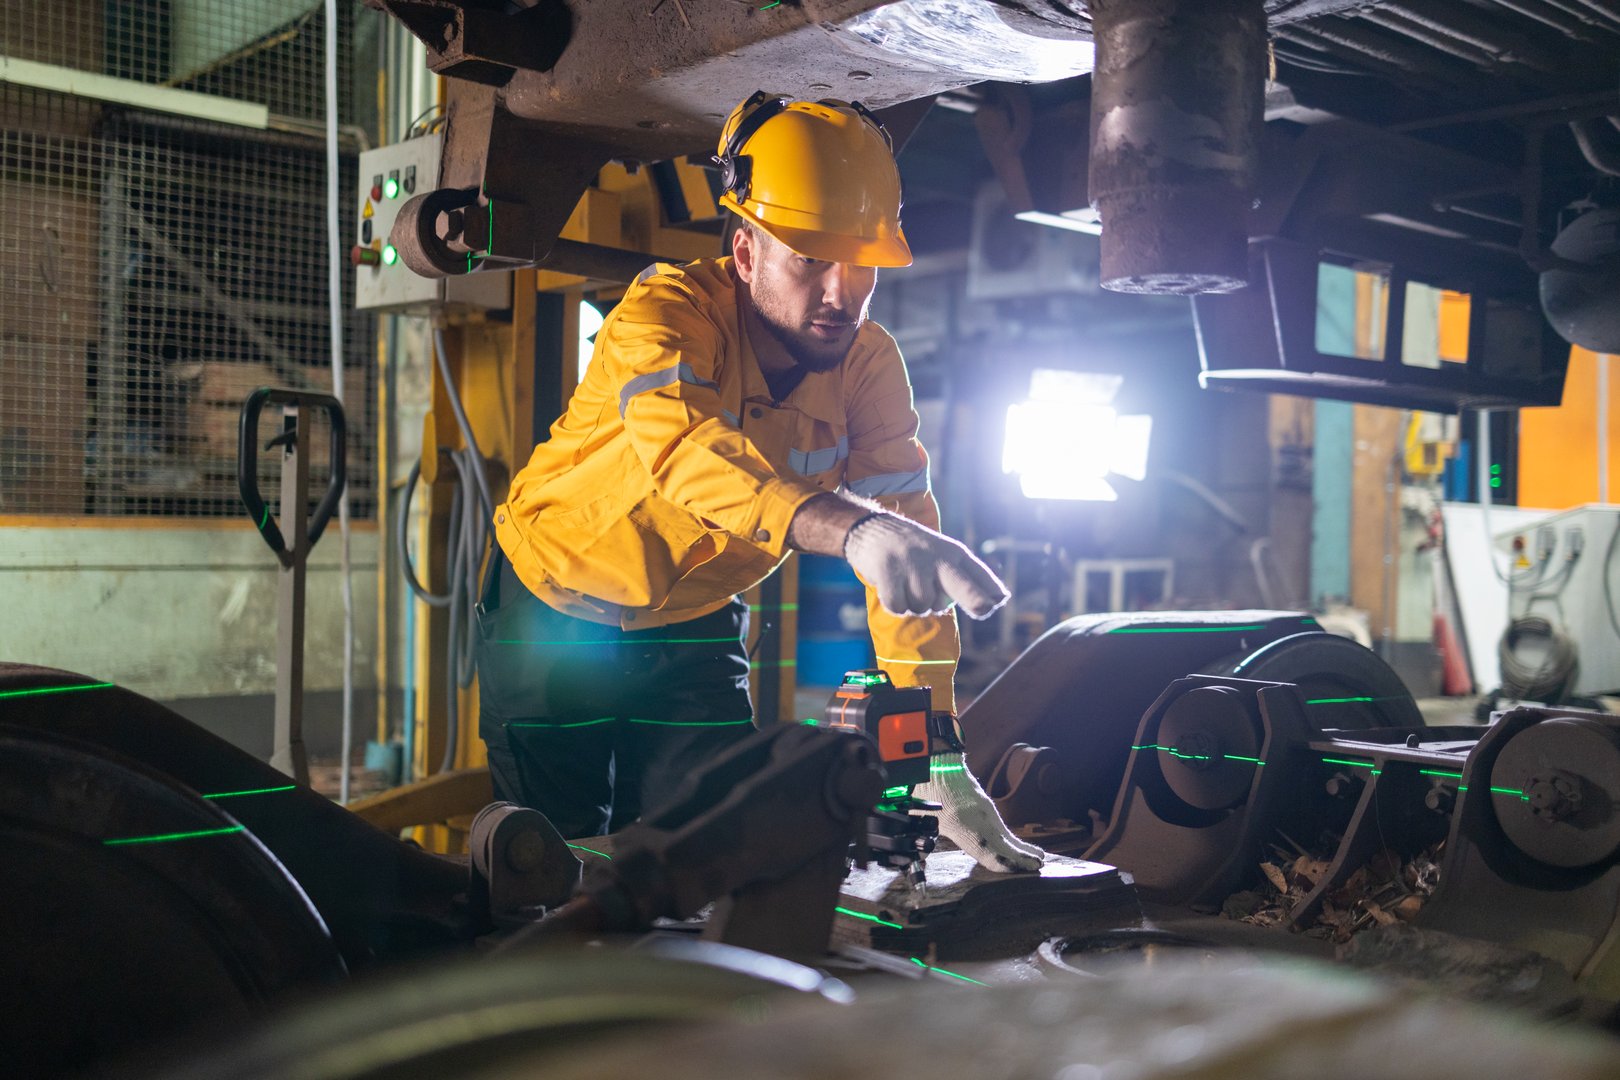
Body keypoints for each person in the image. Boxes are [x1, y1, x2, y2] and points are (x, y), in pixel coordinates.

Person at [477, 91, 1043, 873]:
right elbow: (685, 451)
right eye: (810, 260)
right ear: (746, 254)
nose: (841, 294)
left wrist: (937, 749)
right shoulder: (662, 313)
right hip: (555, 610)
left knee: (711, 849)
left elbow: (906, 561)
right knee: (553, 866)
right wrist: (853, 530)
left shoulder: (870, 364)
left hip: (696, 623)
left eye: (861, 265)